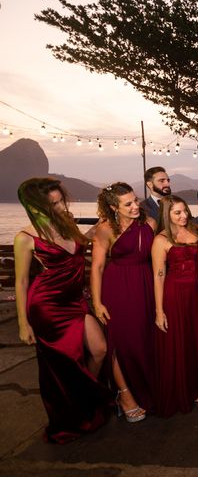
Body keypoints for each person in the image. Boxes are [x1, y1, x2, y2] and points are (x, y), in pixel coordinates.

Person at [14, 178, 110, 443]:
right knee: (63, 366)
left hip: (75, 301)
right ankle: (70, 416)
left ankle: (84, 401)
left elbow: (81, 244)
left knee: (99, 349)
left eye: (59, 201)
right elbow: (21, 282)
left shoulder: (66, 224)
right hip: (47, 307)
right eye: (52, 204)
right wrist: (24, 323)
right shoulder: (25, 237)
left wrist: (102, 226)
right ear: (35, 207)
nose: (58, 207)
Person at [91, 182, 156, 422]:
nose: (135, 206)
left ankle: (149, 387)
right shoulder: (106, 229)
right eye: (128, 204)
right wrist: (97, 303)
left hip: (145, 283)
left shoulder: (150, 224)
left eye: (135, 200)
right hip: (117, 286)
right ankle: (125, 394)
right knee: (120, 339)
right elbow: (97, 267)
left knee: (144, 337)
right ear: (113, 207)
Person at [152, 195, 198, 417]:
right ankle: (184, 388)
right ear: (166, 215)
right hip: (175, 294)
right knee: (181, 341)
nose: (183, 216)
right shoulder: (161, 239)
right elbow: (158, 276)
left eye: (185, 211)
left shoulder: (197, 230)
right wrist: (159, 311)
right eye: (177, 213)